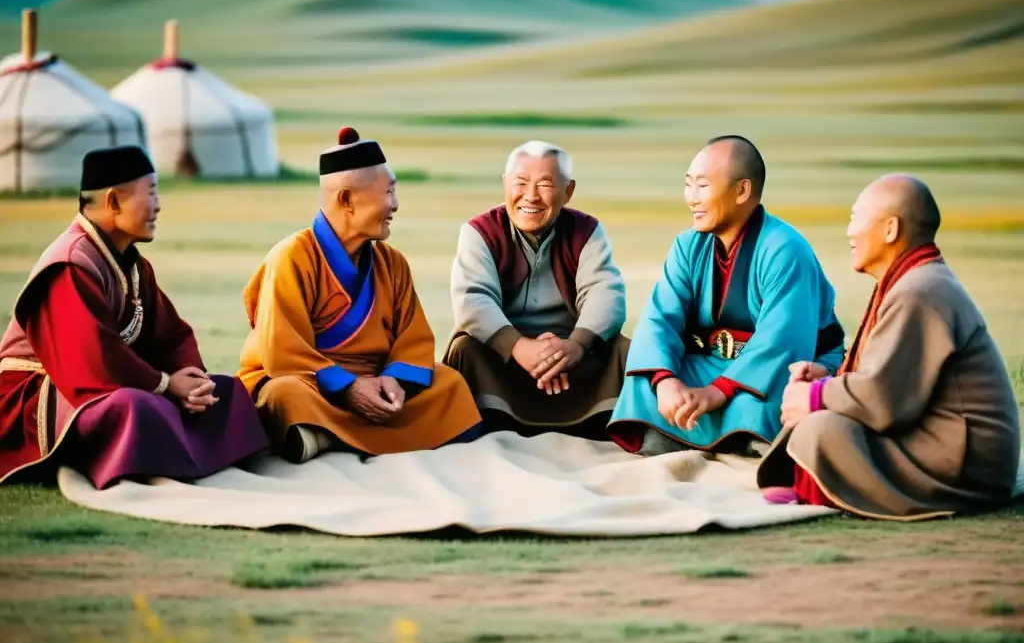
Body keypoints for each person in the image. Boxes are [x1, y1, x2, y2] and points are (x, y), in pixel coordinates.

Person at [0, 146, 268, 489]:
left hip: (118, 384)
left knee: (225, 389)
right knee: (136, 406)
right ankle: (178, 458)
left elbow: (171, 336)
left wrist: (192, 383)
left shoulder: (132, 264)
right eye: (152, 192)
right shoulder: (68, 265)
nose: (158, 206)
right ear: (113, 202)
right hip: (42, 395)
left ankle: (187, 456)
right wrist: (167, 385)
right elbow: (92, 359)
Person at [758, 175, 1021, 519]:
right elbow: (891, 377)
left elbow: (885, 399)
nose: (849, 231)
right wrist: (826, 378)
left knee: (820, 427)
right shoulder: (913, 281)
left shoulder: (919, 290)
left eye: (856, 218)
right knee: (821, 417)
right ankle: (812, 482)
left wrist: (814, 396)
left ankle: (815, 489)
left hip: (966, 465)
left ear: (890, 229)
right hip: (947, 446)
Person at [238, 127, 483, 463]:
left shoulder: (392, 262)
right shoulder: (291, 257)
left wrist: (394, 380)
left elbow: (413, 339)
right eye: (389, 192)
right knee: (285, 395)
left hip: (378, 380)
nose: (395, 204)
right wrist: (349, 388)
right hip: (314, 384)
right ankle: (360, 432)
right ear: (347, 200)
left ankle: (324, 438)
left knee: (449, 383)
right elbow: (282, 351)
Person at [607, 135, 845, 455]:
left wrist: (715, 393)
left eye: (702, 186)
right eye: (688, 184)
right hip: (715, 362)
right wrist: (665, 382)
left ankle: (742, 439)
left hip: (780, 366)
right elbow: (659, 319)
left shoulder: (785, 249)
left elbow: (783, 341)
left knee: (758, 397)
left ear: (742, 190)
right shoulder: (687, 245)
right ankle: (684, 434)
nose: (691, 198)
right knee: (646, 379)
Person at [444, 140, 629, 439]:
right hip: (502, 359)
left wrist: (576, 346)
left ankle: (613, 424)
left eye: (545, 184)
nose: (530, 196)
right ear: (505, 184)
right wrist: (518, 347)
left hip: (570, 360)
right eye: (520, 183)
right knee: (465, 348)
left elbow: (606, 296)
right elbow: (473, 300)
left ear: (568, 192)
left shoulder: (587, 231)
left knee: (623, 349)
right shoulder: (479, 232)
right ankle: (480, 423)